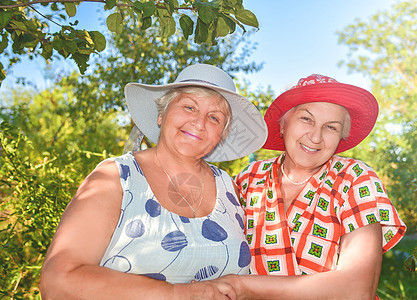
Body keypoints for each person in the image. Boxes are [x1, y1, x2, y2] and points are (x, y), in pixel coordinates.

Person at [40, 64, 268, 300]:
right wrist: (178, 294)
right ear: (162, 114)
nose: (200, 123)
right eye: (189, 107)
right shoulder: (116, 177)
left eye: (214, 118)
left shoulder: (229, 187)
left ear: (222, 134)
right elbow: (58, 281)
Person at [218, 74, 407, 299]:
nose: (316, 137)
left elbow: (357, 290)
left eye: (331, 127)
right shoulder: (248, 179)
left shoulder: (355, 179)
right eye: (306, 119)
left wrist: (241, 286)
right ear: (283, 123)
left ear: (341, 137)